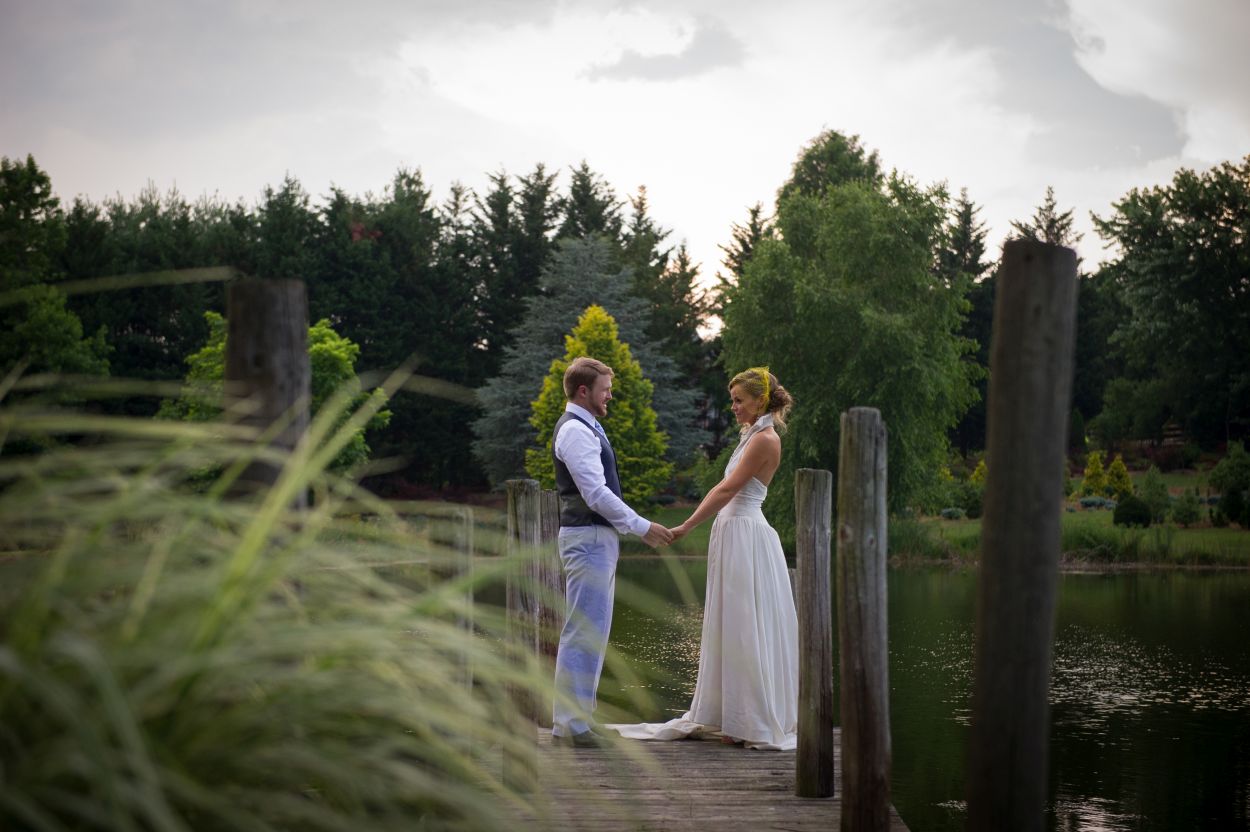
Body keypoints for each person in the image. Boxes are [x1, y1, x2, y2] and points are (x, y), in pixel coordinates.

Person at [608, 367, 798, 750]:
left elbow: (727, 489)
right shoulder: (749, 436)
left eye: (739, 401)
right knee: (729, 624)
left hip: (746, 535)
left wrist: (686, 526)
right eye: (732, 401)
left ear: (759, 401)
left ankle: (749, 720)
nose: (733, 408)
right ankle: (729, 714)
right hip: (730, 533)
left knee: (745, 623)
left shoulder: (765, 439)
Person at [550, 356, 673, 748]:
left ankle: (577, 720)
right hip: (587, 539)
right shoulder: (575, 431)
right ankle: (571, 725)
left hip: (594, 539)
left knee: (593, 631)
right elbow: (596, 494)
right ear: (584, 391)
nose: (611, 395)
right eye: (605, 389)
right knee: (582, 630)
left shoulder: (586, 426)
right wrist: (641, 526)